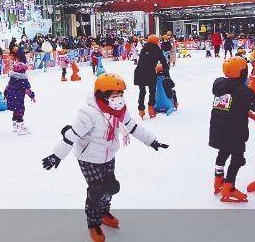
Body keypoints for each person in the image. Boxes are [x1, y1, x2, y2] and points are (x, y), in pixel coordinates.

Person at [41, 73, 169, 242]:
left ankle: (103, 212)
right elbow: (72, 136)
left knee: (111, 187)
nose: (119, 99)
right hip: (88, 157)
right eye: (115, 95)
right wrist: (56, 156)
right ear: (102, 95)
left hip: (108, 155)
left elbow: (133, 127)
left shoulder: (120, 111)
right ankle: (93, 222)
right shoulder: (89, 114)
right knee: (96, 190)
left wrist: (152, 141)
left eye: (121, 94)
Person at [210, 57, 255, 202]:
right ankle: (229, 187)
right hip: (235, 131)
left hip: (218, 129)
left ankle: (218, 179)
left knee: (222, 153)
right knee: (237, 159)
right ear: (242, 73)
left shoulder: (219, 85)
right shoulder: (243, 91)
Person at [134, 34, 169, 119]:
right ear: (156, 41)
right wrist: (166, 68)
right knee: (152, 91)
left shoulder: (144, 48)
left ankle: (141, 110)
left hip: (139, 71)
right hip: (150, 72)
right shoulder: (156, 49)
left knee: (142, 91)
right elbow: (163, 60)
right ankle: (151, 109)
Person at [4, 62, 35, 135]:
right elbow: (27, 90)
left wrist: (5, 94)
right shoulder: (23, 80)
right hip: (18, 98)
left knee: (15, 110)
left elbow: (7, 87)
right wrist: (32, 96)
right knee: (20, 111)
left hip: (11, 97)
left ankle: (15, 126)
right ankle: (20, 127)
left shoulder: (12, 78)